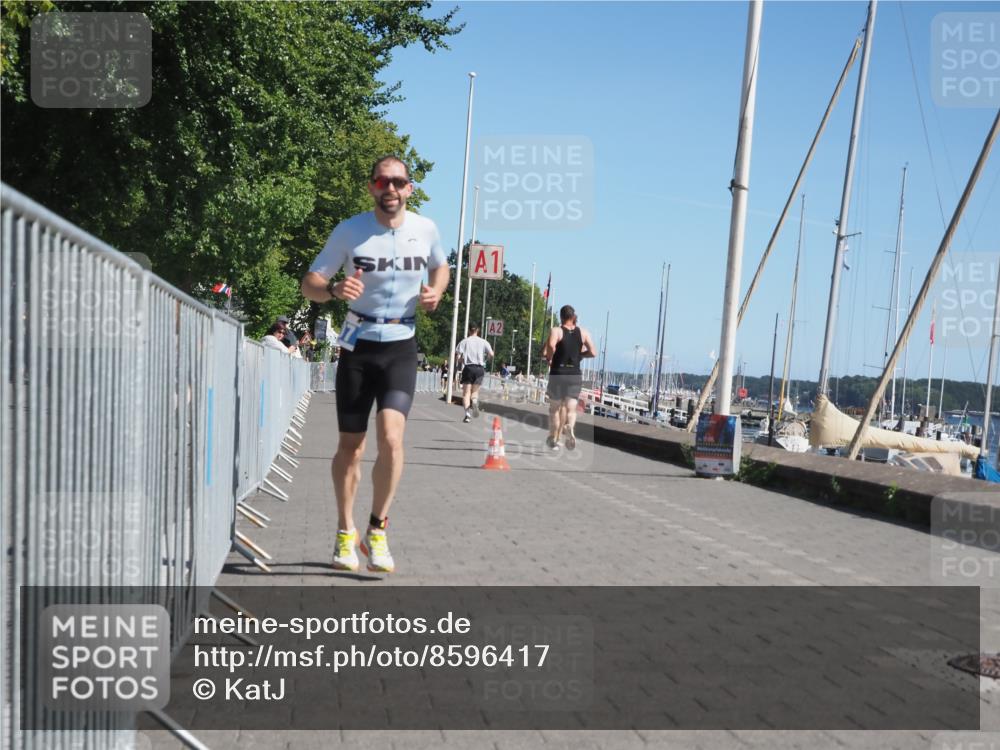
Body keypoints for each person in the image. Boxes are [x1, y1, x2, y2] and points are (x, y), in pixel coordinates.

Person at [300, 155, 449, 573]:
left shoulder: (426, 229)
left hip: (400, 345)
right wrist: (333, 289)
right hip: (358, 346)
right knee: (351, 447)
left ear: (409, 189)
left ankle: (377, 529)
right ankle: (345, 531)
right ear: (371, 187)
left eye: (398, 182)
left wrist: (436, 291)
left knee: (392, 439)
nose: (391, 189)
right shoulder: (350, 231)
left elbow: (441, 267)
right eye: (383, 182)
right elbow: (310, 284)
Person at [541, 305, 597, 451]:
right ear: (573, 317)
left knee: (554, 409)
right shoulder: (583, 332)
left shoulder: (556, 331)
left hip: (558, 374)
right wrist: (580, 355)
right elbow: (593, 352)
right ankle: (569, 427)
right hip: (574, 375)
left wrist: (550, 357)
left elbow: (551, 345)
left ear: (561, 317)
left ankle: (553, 437)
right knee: (571, 409)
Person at [455, 324, 494, 423]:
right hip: (480, 368)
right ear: (478, 330)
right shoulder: (483, 341)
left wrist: (461, 360)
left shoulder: (464, 341)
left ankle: (467, 415)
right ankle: (475, 402)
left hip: (468, 368)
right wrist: (485, 360)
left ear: (469, 331)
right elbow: (491, 354)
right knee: (475, 392)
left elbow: (457, 356)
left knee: (466, 393)